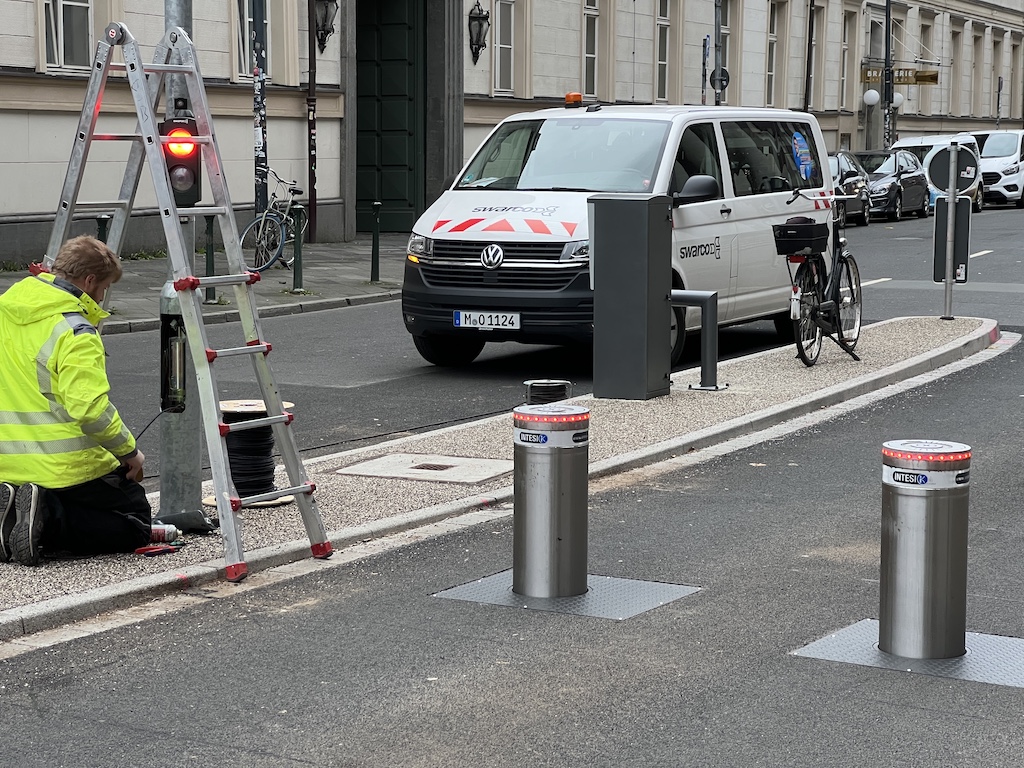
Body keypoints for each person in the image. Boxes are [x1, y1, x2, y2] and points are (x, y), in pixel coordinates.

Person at [0, 235, 151, 565]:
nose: (103, 296)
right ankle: (47, 517)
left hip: (6, 466)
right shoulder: (75, 329)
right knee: (136, 518)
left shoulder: (5, 311)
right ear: (90, 281)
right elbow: (89, 410)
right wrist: (129, 452)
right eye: (105, 287)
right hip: (62, 468)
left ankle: (11, 518)